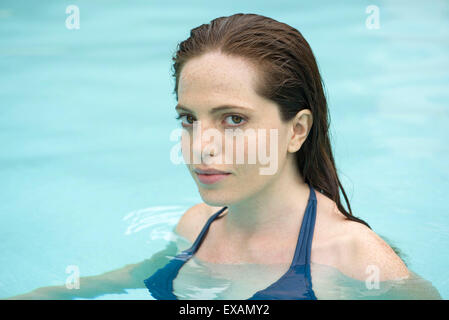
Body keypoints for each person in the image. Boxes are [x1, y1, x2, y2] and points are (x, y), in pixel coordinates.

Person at [8, 13, 441, 300]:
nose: (201, 145)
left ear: (297, 130)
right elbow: (127, 279)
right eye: (188, 119)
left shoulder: (356, 258)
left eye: (233, 119)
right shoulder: (195, 226)